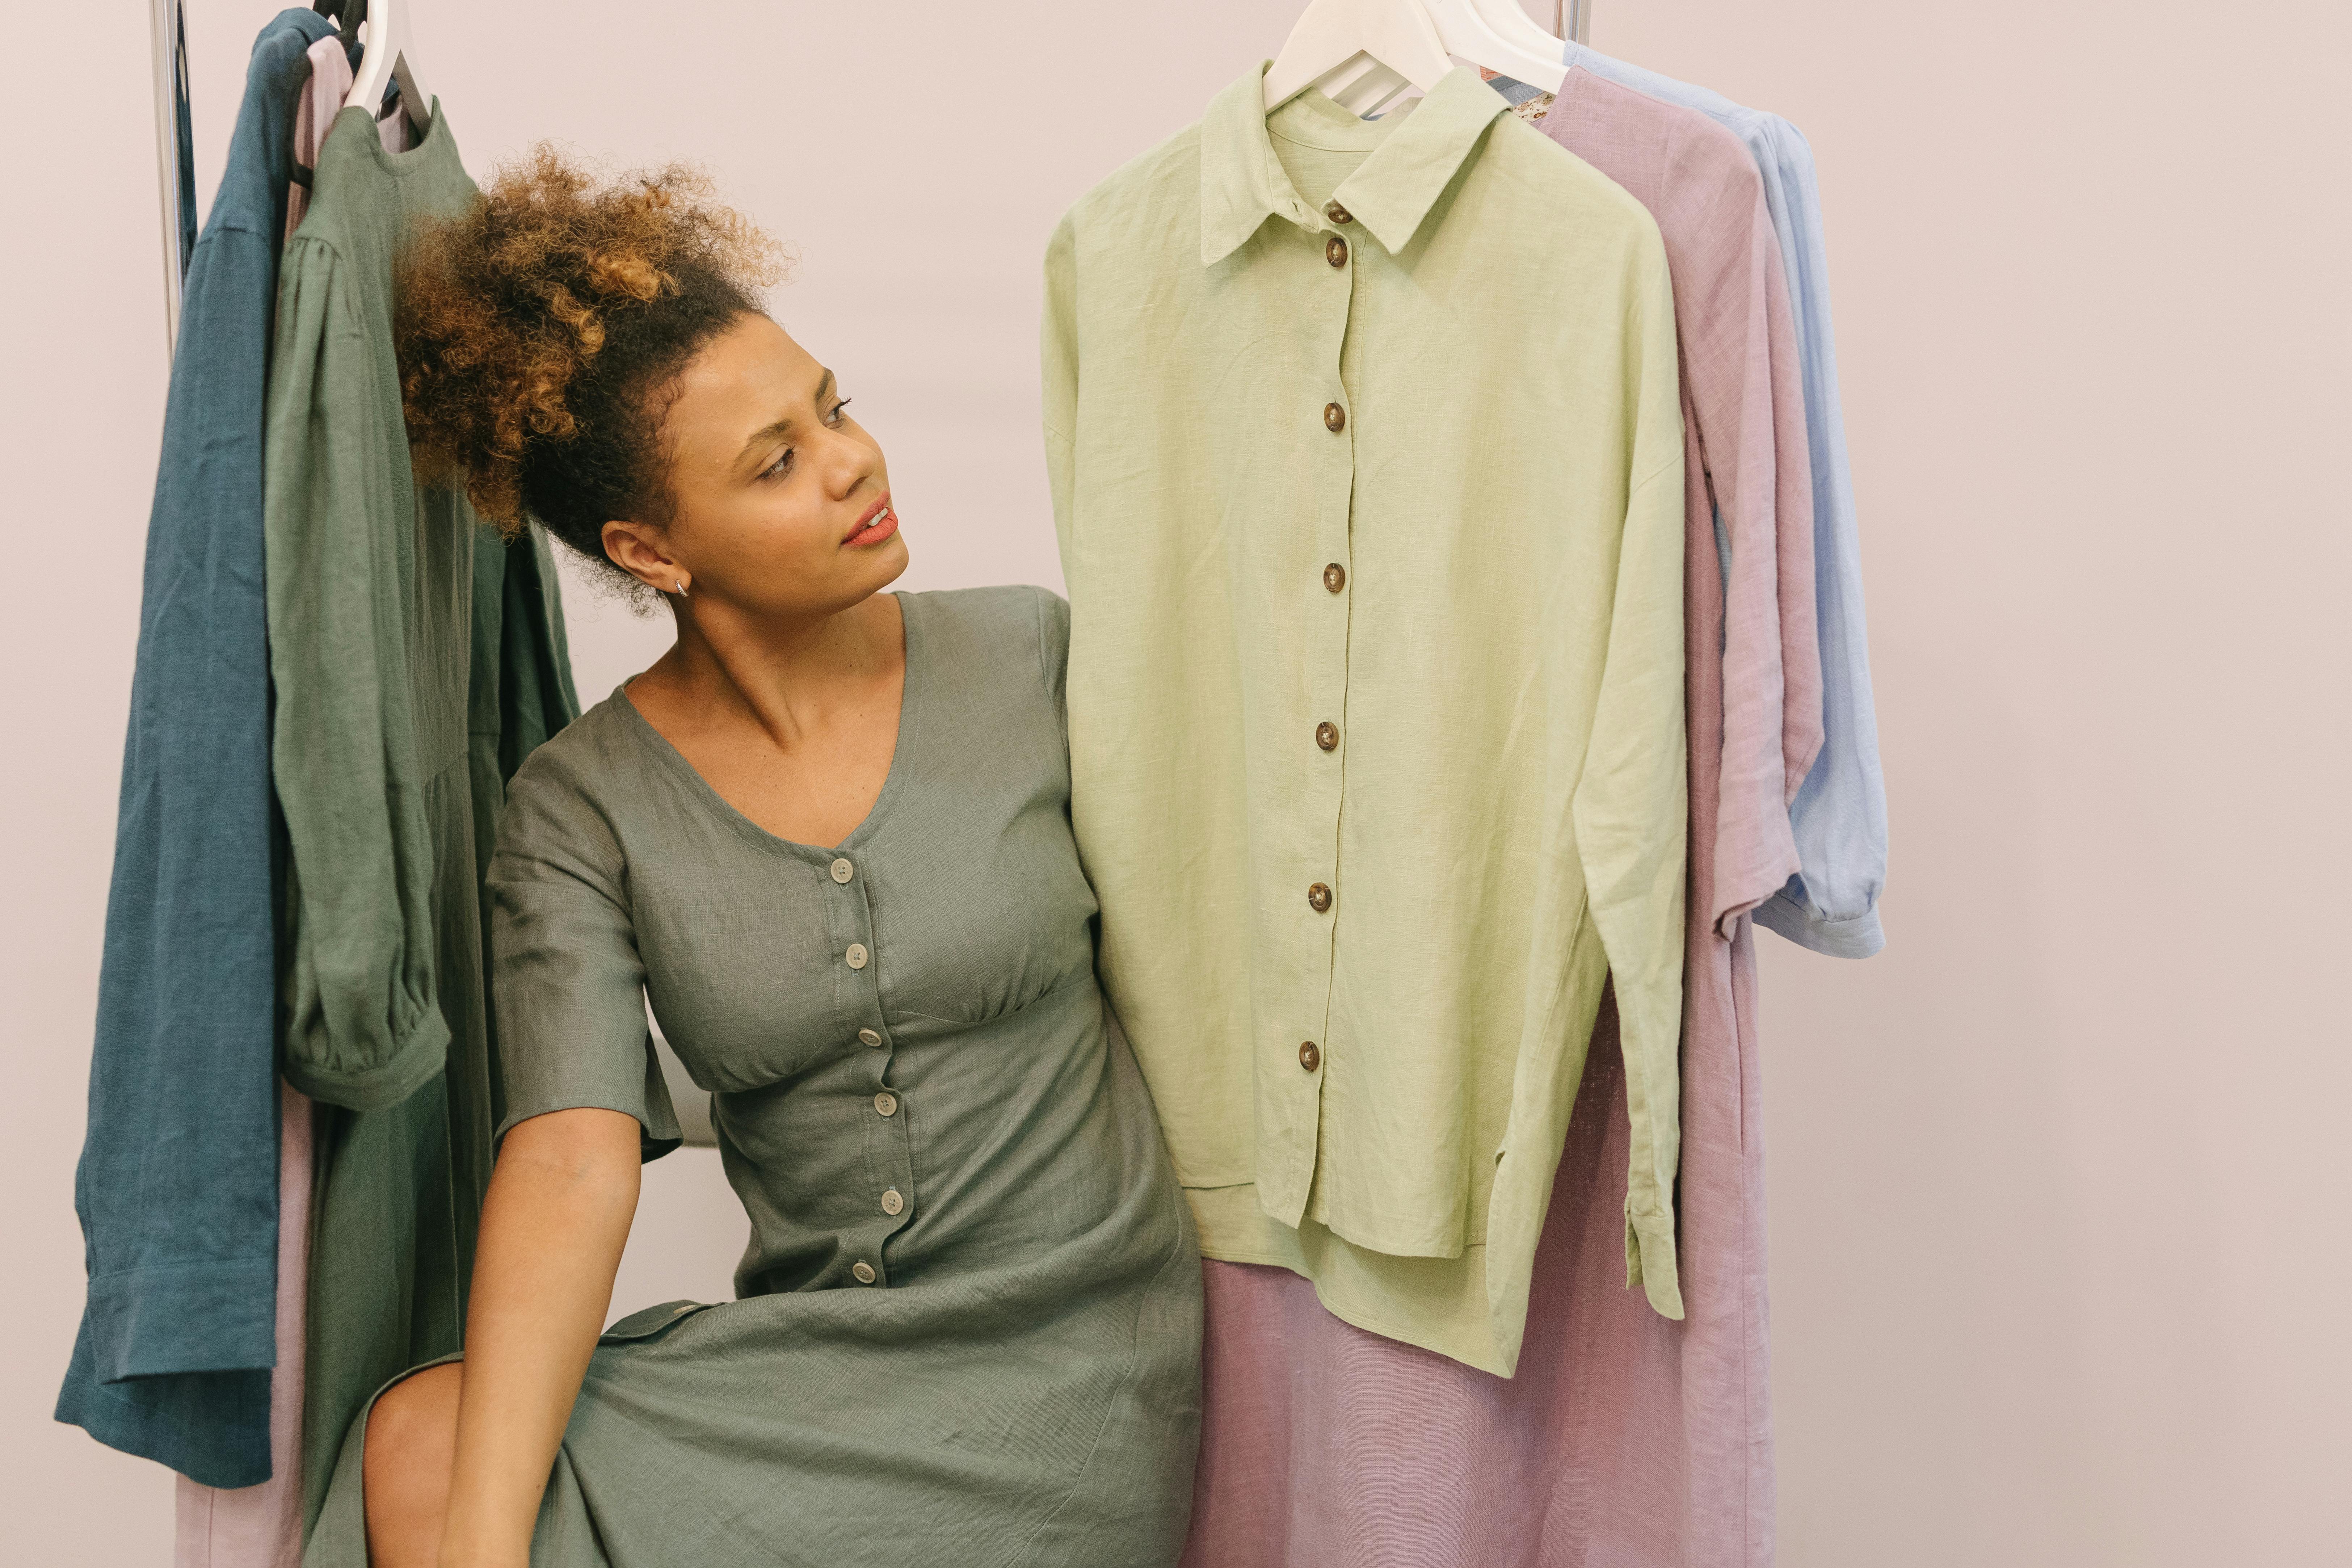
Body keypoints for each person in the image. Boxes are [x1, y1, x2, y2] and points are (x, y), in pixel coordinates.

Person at [324, 148, 1203, 1568]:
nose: (851, 461)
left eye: (832, 408)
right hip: (811, 1369)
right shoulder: (577, 809)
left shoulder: (1034, 657)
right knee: (423, 1449)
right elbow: (566, 1163)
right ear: (648, 548)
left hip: (1077, 1363)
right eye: (775, 461)